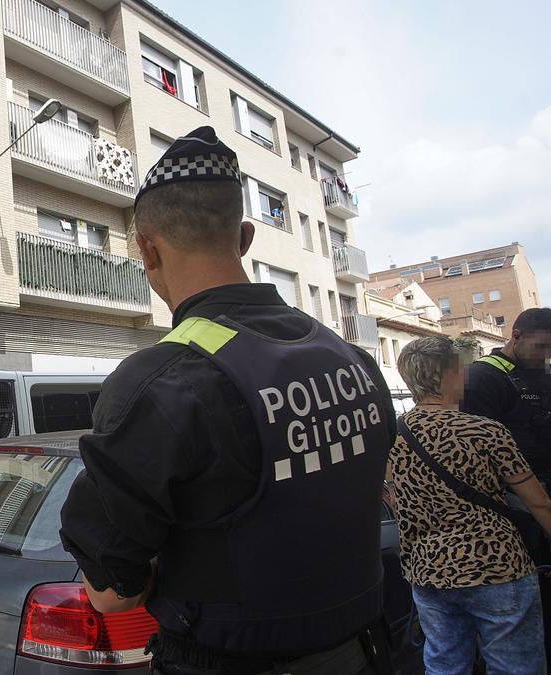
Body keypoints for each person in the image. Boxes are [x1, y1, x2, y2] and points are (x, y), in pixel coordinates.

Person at [59, 127, 397, 674]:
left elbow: (113, 594)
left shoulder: (162, 381)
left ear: (146, 247)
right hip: (368, 651)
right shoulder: (346, 355)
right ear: (244, 238)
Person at [390, 335, 551, 674]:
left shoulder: (391, 436)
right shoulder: (485, 431)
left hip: (428, 570)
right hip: (497, 566)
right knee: (515, 665)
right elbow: (539, 503)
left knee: (445, 662)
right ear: (450, 375)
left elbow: (390, 494)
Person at [461, 307, 551, 485]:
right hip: (515, 490)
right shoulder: (481, 377)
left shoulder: (543, 372)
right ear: (516, 336)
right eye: (541, 347)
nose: (546, 355)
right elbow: (477, 447)